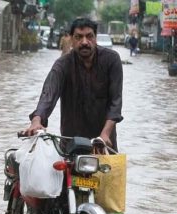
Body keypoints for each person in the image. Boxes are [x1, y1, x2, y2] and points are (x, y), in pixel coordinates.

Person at [23, 17, 123, 149]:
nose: (84, 42)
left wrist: (105, 133)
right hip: (71, 142)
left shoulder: (111, 60)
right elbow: (49, 94)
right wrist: (36, 121)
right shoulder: (63, 64)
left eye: (89, 36)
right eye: (78, 37)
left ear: (95, 38)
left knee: (112, 168)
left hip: (103, 141)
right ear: (71, 39)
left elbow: (115, 102)